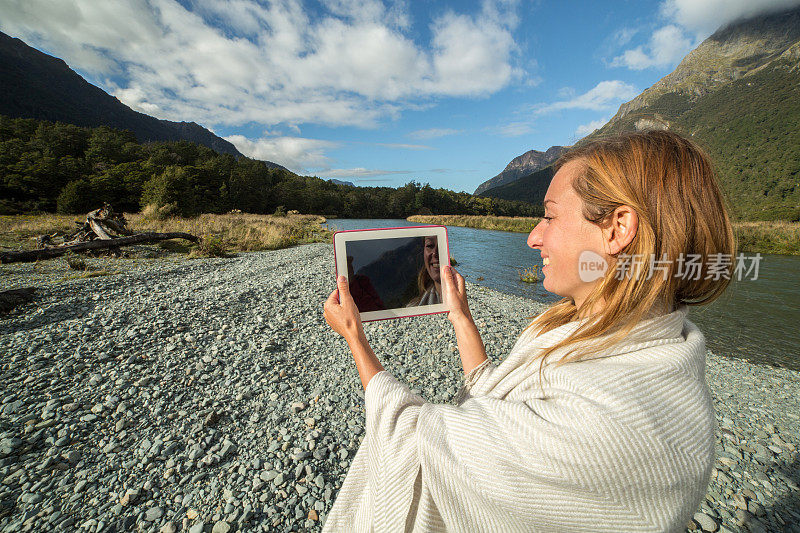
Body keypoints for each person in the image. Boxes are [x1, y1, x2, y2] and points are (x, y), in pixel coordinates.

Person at [322, 130, 735, 532]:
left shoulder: (605, 427)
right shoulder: (629, 342)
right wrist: (461, 318)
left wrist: (356, 340)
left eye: (550, 215)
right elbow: (499, 404)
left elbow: (420, 440)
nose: (533, 237)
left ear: (617, 229)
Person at [405, 236, 442, 306]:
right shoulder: (413, 307)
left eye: (442, 245)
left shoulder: (464, 301)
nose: (435, 253)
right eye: (430, 245)